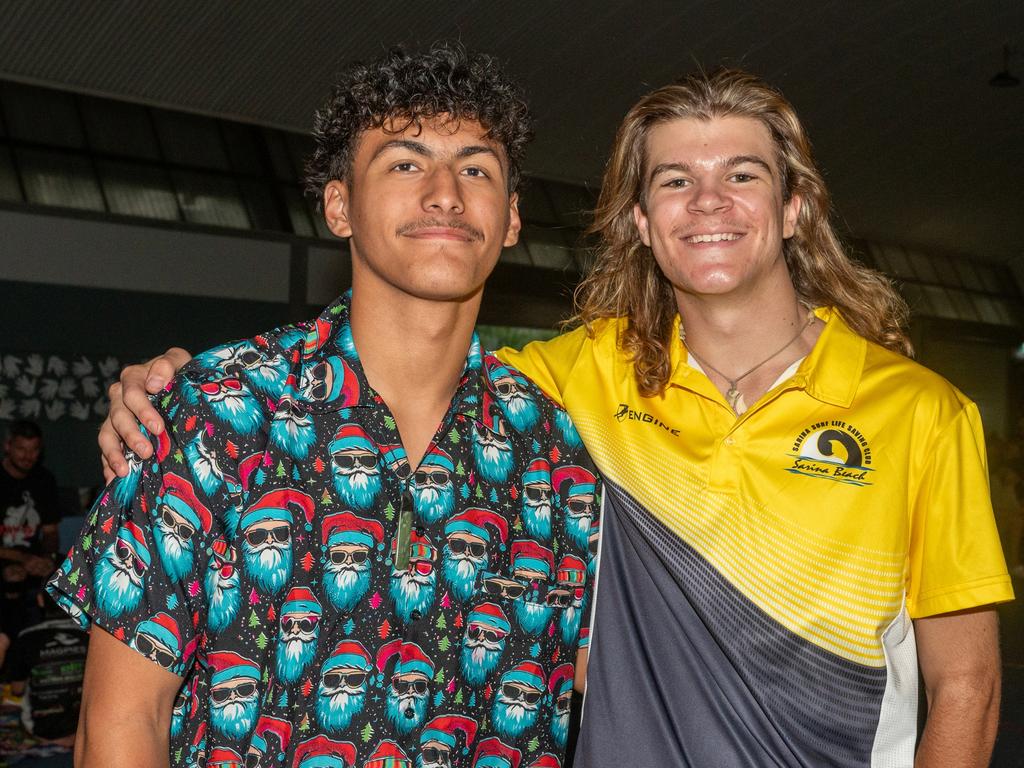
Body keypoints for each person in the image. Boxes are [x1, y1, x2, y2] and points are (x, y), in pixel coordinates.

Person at [99, 68, 1013, 768]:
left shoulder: (921, 411)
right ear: (641, 222)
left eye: (742, 174)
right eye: (673, 182)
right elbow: (410, 357)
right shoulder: (572, 383)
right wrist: (165, 390)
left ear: (794, 205)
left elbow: (966, 683)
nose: (708, 204)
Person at [50, 45, 597, 768]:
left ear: (513, 219)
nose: (445, 193)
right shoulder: (217, 414)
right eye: (405, 163)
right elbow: (121, 724)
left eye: (476, 168)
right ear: (339, 206)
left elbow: (616, 691)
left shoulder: (559, 454)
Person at [8, 590, 89, 747]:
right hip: (85, 727)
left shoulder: (26, 637)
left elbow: (17, 689)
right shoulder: (91, 635)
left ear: (40, 600)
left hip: (41, 731)